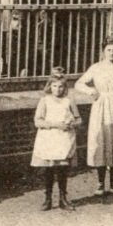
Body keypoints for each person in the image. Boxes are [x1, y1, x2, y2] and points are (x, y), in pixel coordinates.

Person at [75, 39, 113, 197]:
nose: (112, 53)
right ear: (103, 51)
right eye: (109, 50)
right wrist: (91, 92)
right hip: (101, 107)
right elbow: (78, 84)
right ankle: (101, 184)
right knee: (101, 143)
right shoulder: (96, 68)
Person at [31, 67, 81, 211]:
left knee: (62, 169)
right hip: (49, 138)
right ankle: (47, 199)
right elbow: (38, 121)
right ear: (50, 86)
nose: (57, 89)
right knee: (49, 170)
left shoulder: (69, 101)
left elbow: (79, 119)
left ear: (65, 87)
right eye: (54, 86)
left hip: (64, 139)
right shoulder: (45, 100)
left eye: (60, 86)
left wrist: (71, 124)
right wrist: (55, 124)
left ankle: (63, 198)